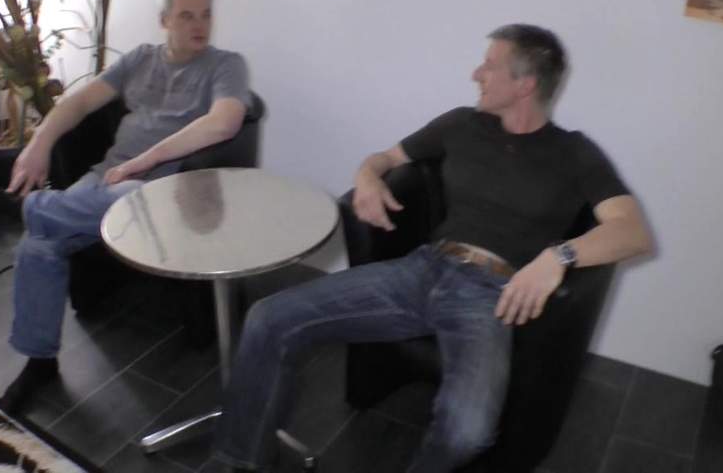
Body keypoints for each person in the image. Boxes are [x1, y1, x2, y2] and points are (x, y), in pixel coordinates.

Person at [213, 24, 653, 473]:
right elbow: (385, 158)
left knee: (469, 430)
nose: (475, 73)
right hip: (422, 268)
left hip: (490, 297)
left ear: (525, 84)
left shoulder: (574, 153)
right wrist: (367, 178)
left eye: (490, 65)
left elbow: (633, 231)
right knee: (268, 317)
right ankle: (239, 459)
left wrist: (558, 257)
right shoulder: (461, 124)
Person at [0, 0, 252, 414]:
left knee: (121, 196)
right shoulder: (139, 59)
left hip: (169, 193)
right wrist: (39, 144)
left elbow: (225, 122)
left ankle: (30, 207)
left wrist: (143, 161)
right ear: (164, 20)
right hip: (106, 181)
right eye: (187, 15)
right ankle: (40, 362)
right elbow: (78, 103)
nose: (200, 25)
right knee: (39, 242)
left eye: (206, 14)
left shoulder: (225, 65)